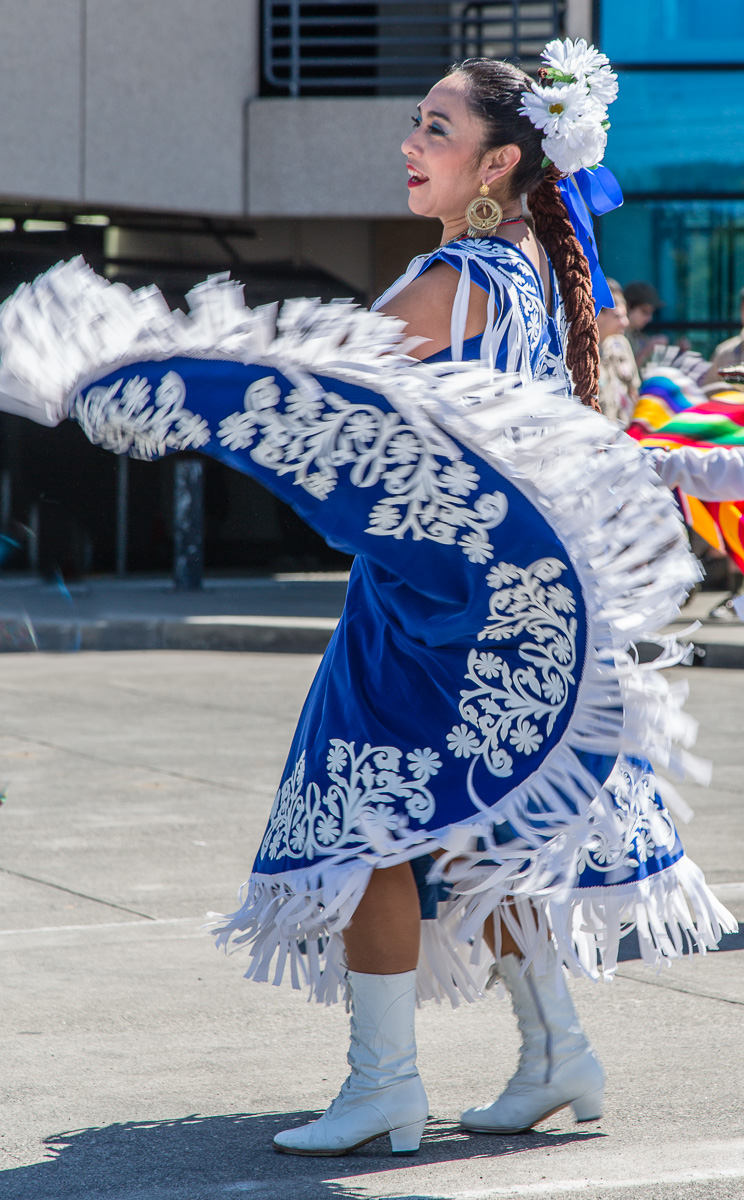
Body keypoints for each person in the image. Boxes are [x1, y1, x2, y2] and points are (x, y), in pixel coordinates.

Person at [0, 39, 735, 1160]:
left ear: (497, 165)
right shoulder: (535, 271)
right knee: (486, 825)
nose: (411, 145)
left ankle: (383, 1083)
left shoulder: (455, 277)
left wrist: (155, 374)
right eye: (417, 125)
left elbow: (318, 391)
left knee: (368, 827)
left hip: (427, 607)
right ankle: (553, 1053)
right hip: (497, 602)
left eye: (436, 129)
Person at [596, 278, 640, 426]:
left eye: (625, 315)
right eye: (617, 316)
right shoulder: (581, 352)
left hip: (620, 433)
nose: (625, 322)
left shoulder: (621, 345)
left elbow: (633, 392)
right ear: (598, 314)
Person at [624, 280, 666, 368]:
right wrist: (648, 348)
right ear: (628, 307)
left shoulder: (639, 335)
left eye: (651, 313)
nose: (649, 318)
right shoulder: (617, 335)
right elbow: (626, 373)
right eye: (645, 312)